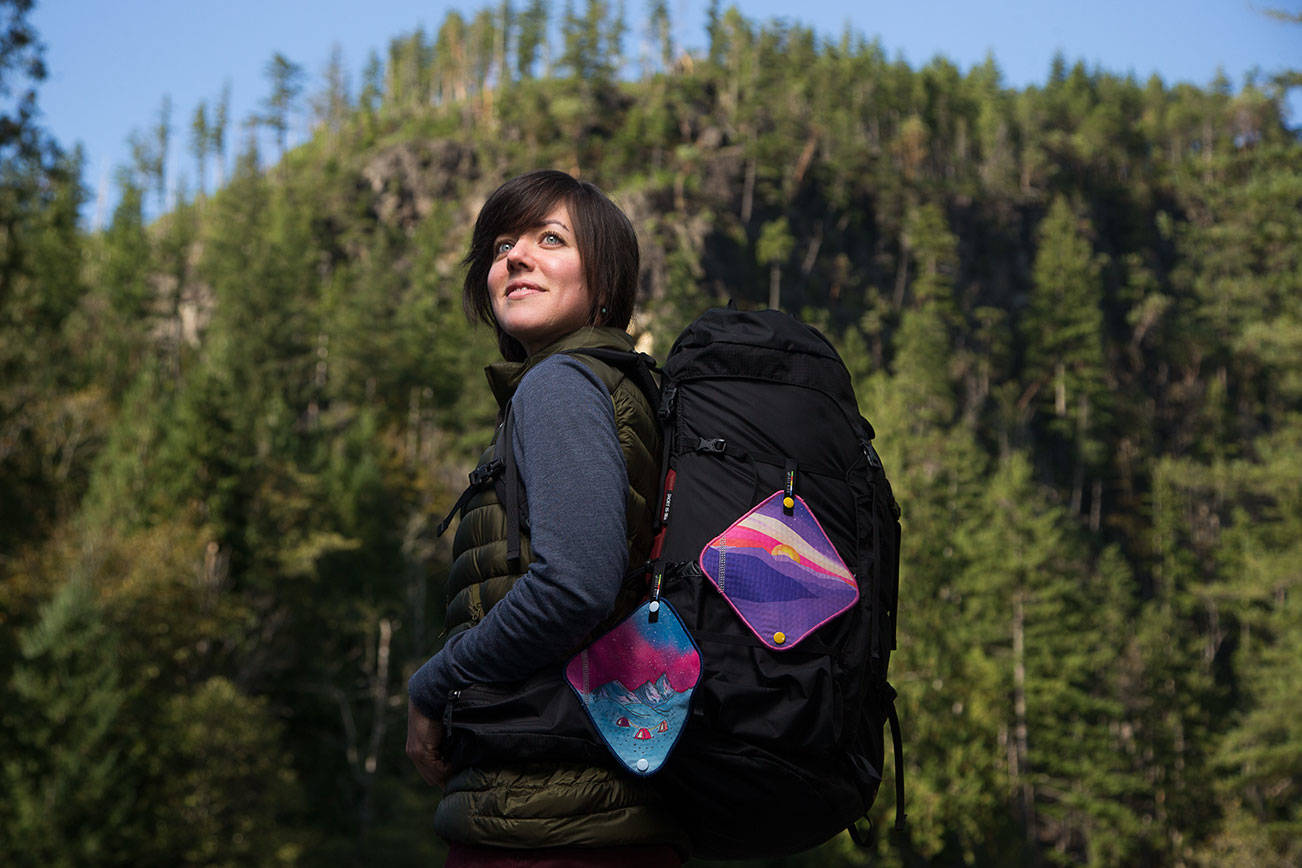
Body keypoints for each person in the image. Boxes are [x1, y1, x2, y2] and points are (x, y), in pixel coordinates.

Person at [406, 170, 685, 866]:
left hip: (548, 825)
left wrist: (433, 683)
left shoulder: (561, 385)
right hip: (599, 811)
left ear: (606, 281)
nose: (514, 258)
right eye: (501, 246)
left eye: (549, 239)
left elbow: (574, 586)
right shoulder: (618, 389)